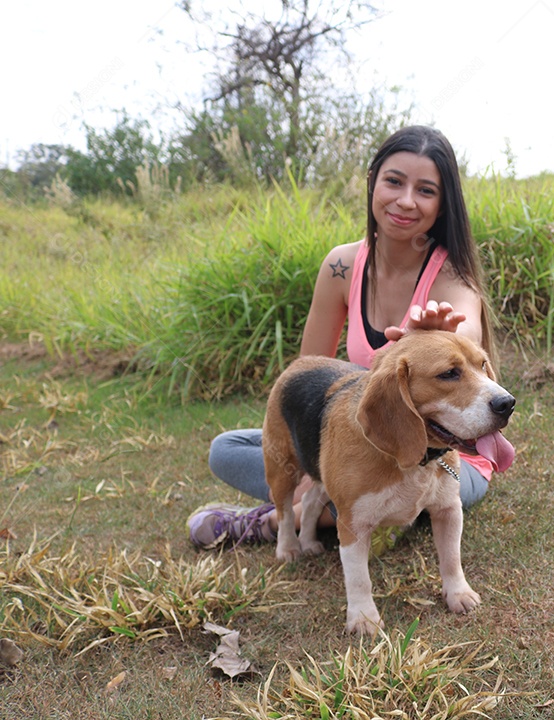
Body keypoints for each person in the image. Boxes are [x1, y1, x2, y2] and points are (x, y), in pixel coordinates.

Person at [188, 125, 499, 549]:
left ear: (443, 205)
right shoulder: (341, 266)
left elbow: (468, 345)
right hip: (360, 434)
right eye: (394, 181)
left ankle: (282, 522)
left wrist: (431, 343)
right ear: (372, 181)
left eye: (426, 190)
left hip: (444, 458)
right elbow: (306, 372)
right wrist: (316, 461)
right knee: (226, 448)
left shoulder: (452, 279)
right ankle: (329, 500)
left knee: (393, 487)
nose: (406, 201)